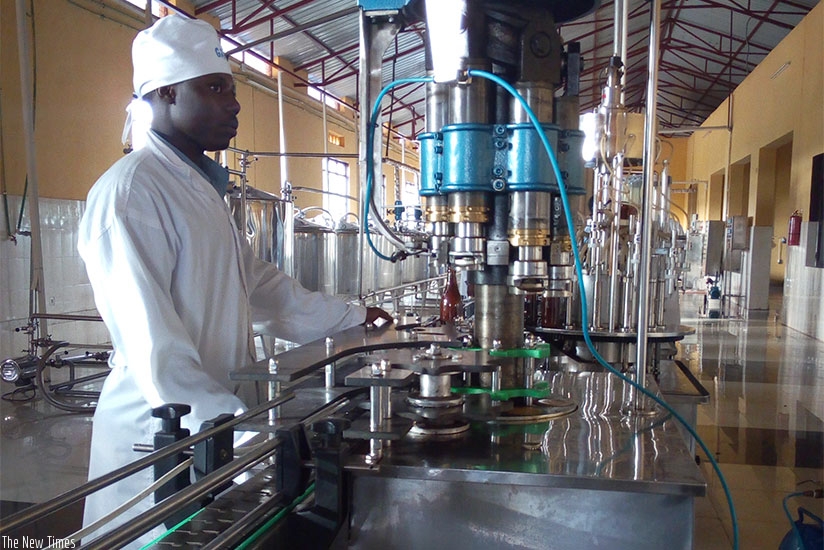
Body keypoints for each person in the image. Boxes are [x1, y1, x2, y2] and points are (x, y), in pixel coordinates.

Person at [78, 14, 391, 547]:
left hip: (214, 433)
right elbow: (158, 354)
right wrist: (251, 438)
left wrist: (354, 319)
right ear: (168, 93)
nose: (235, 102)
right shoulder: (131, 194)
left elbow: (261, 286)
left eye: (232, 87)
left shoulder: (200, 190)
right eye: (216, 87)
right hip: (160, 438)